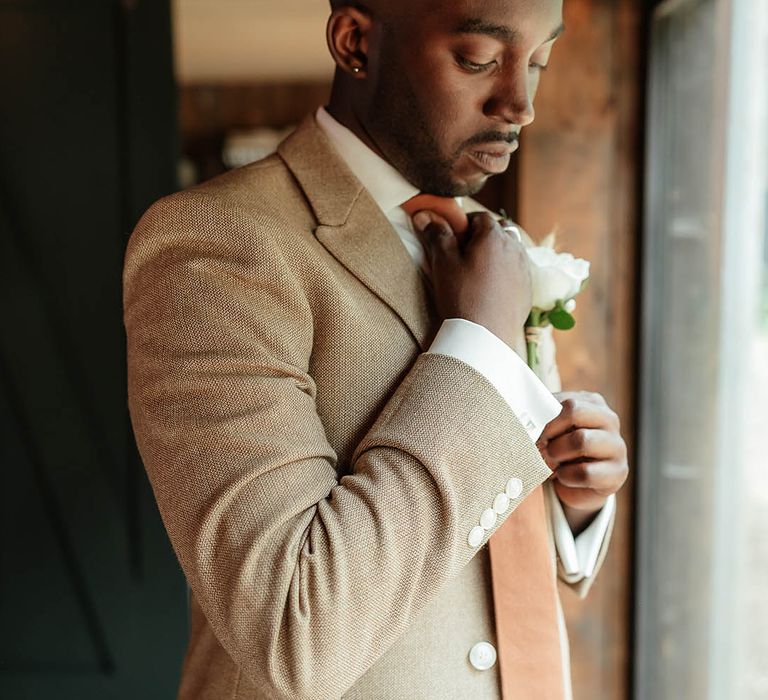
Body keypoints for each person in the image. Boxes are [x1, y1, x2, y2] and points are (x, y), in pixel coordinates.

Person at [123, 0, 629, 697]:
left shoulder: (487, 242)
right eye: (479, 59)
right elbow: (294, 629)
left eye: (538, 61)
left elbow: (472, 518)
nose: (521, 103)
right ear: (355, 41)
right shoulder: (219, 245)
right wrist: (480, 345)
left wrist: (574, 502)